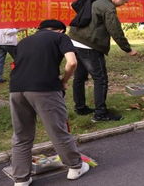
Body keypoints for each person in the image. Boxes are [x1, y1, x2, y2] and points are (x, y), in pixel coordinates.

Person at [9, 20, 89, 186]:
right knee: (57, 130)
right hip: (45, 89)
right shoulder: (60, 37)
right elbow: (72, 62)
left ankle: (21, 178)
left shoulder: (24, 41)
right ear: (60, 30)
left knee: (21, 135)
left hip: (16, 89)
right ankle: (75, 166)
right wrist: (64, 80)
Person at [68, 0, 138, 121]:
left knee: (79, 77)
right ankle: (100, 113)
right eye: (124, 2)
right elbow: (115, 30)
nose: (123, 5)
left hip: (75, 40)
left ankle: (80, 108)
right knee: (101, 79)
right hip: (89, 45)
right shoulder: (108, 7)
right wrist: (127, 49)